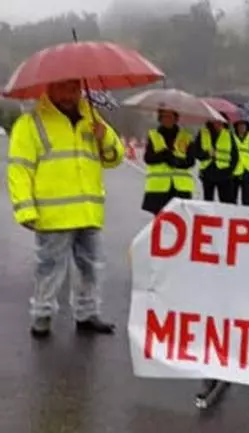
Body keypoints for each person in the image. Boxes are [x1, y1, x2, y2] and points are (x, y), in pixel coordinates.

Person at [6, 79, 124, 338]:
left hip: (88, 211)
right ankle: (42, 315)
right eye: (64, 89)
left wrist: (105, 138)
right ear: (50, 89)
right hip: (53, 215)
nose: (70, 95)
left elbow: (115, 158)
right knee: (49, 268)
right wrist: (25, 209)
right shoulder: (31, 123)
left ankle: (87, 314)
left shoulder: (92, 118)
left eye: (74, 89)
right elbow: (19, 169)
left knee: (90, 267)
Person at [141, 109, 195, 215]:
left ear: (176, 118)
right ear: (160, 119)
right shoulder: (154, 135)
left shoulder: (186, 137)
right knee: (160, 220)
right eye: (164, 116)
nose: (167, 119)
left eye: (170, 116)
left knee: (180, 219)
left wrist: (176, 162)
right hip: (158, 188)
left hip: (180, 188)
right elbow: (148, 158)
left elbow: (190, 161)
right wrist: (164, 156)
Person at [192, 117, 238, 203]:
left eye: (221, 121)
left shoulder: (228, 134)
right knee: (208, 202)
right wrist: (207, 154)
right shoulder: (203, 133)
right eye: (216, 121)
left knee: (227, 202)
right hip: (207, 172)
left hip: (224, 173)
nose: (219, 123)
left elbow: (235, 156)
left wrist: (230, 170)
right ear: (211, 121)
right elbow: (196, 153)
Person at [232, 120, 249, 206]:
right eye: (240, 125)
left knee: (247, 198)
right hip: (234, 170)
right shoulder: (232, 136)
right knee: (232, 197)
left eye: (244, 125)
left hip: (248, 170)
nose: (242, 127)